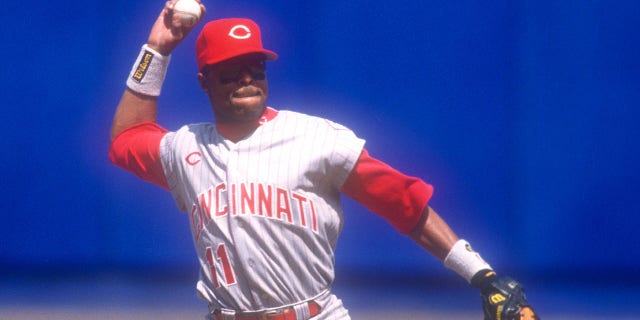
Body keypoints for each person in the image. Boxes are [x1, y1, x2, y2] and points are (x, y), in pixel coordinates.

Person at [109, 1, 539, 319]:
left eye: (255, 67)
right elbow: (126, 138)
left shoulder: (318, 139)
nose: (246, 79)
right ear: (204, 81)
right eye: (230, 70)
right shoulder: (187, 149)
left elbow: (403, 203)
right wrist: (156, 49)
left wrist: (482, 276)